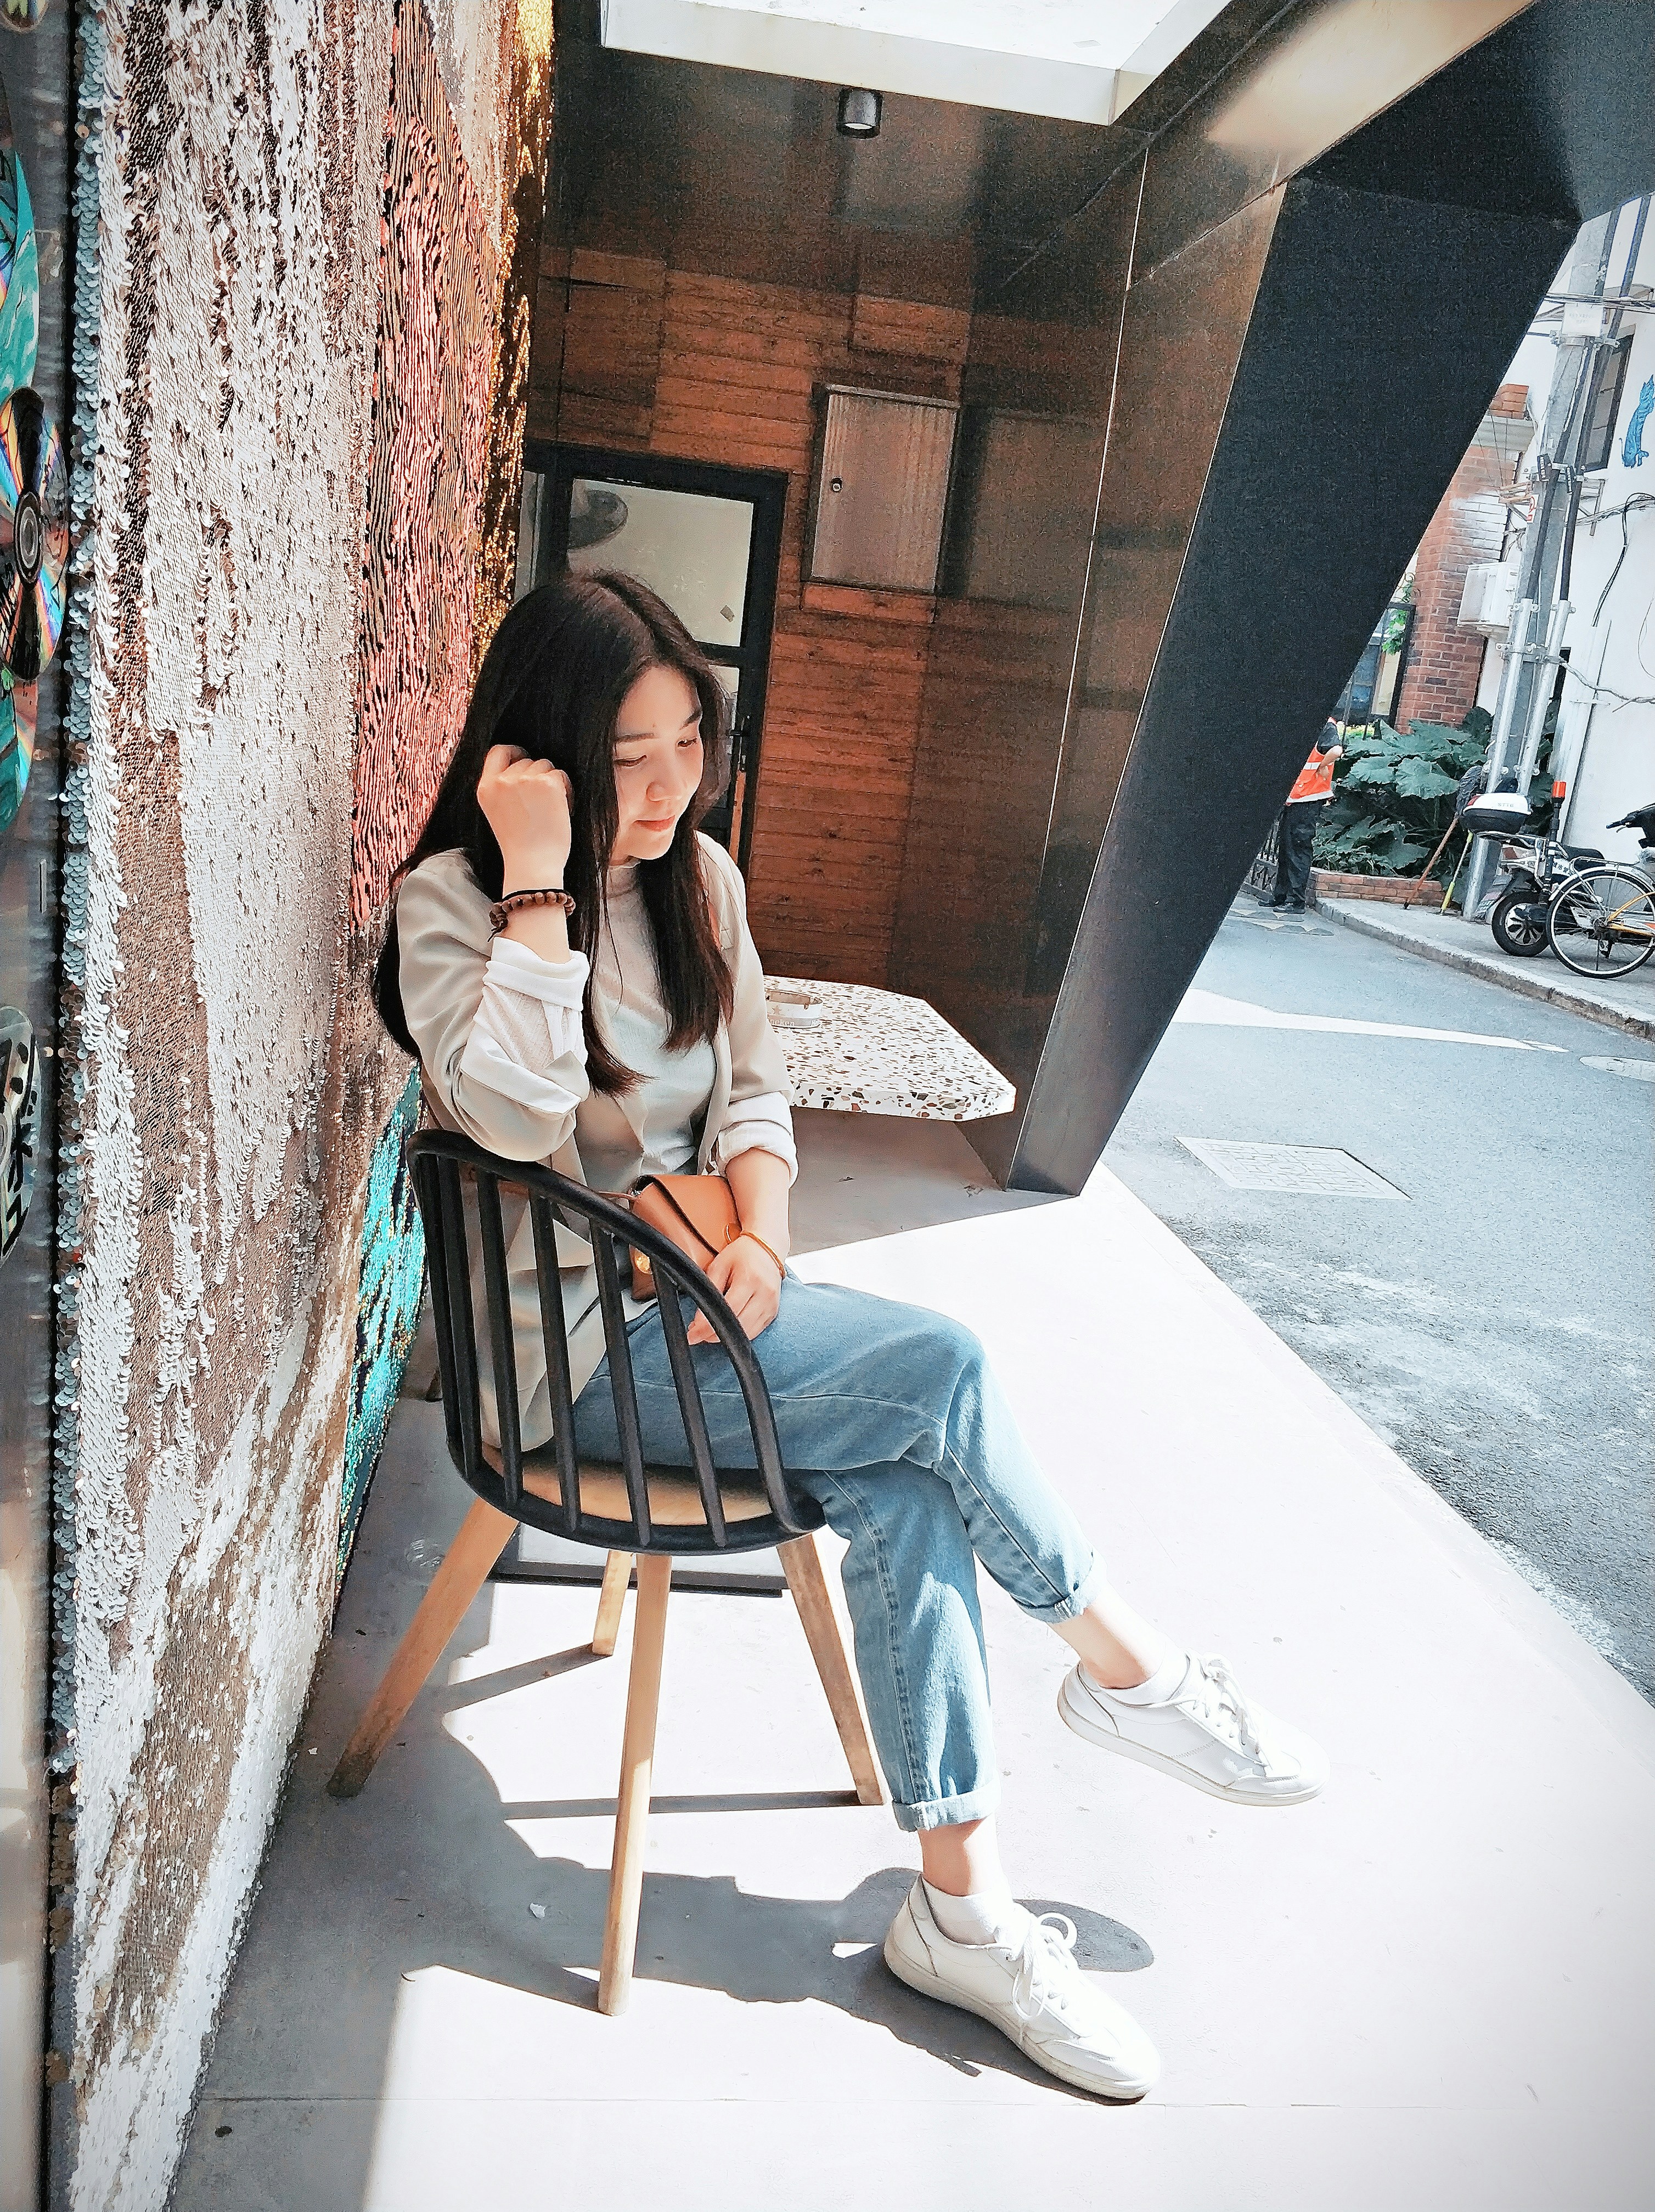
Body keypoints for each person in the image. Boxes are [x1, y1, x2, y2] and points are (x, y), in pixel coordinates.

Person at [376, 571, 1328, 2102]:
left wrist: (757, 1234)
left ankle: (960, 1905)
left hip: (712, 1311)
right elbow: (513, 1113)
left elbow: (754, 1088)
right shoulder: (452, 902)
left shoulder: (703, 883)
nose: (671, 784)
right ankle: (1126, 1669)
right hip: (572, 1361)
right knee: (942, 1375)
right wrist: (540, 883)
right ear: (539, 750)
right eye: (625, 755)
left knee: (903, 1480)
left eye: (691, 741)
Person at [1270, 720, 1344, 909]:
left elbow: (1336, 751)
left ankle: (1295, 901)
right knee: (1288, 849)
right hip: (1298, 798)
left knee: (1297, 849)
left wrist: (1323, 766)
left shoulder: (1326, 725)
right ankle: (1281, 896)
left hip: (1309, 798)